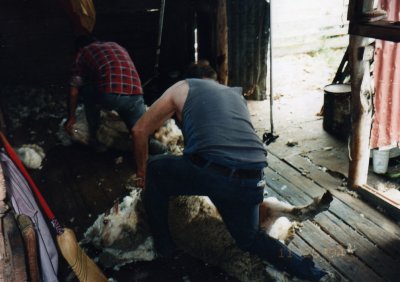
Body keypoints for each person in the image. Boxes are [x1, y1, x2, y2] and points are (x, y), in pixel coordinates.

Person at [132, 62, 330, 281]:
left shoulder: (182, 87)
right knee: (250, 238)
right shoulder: (234, 95)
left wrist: (142, 174)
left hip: (213, 172)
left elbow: (139, 130)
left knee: (155, 169)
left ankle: (164, 247)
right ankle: (313, 274)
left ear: (190, 79)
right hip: (254, 176)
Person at [64, 34, 166, 154]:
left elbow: (74, 90)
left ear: (79, 48)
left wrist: (71, 117)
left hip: (110, 94)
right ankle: (158, 148)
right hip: (135, 92)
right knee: (140, 131)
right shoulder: (116, 46)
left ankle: (94, 138)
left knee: (87, 91)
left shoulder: (83, 52)